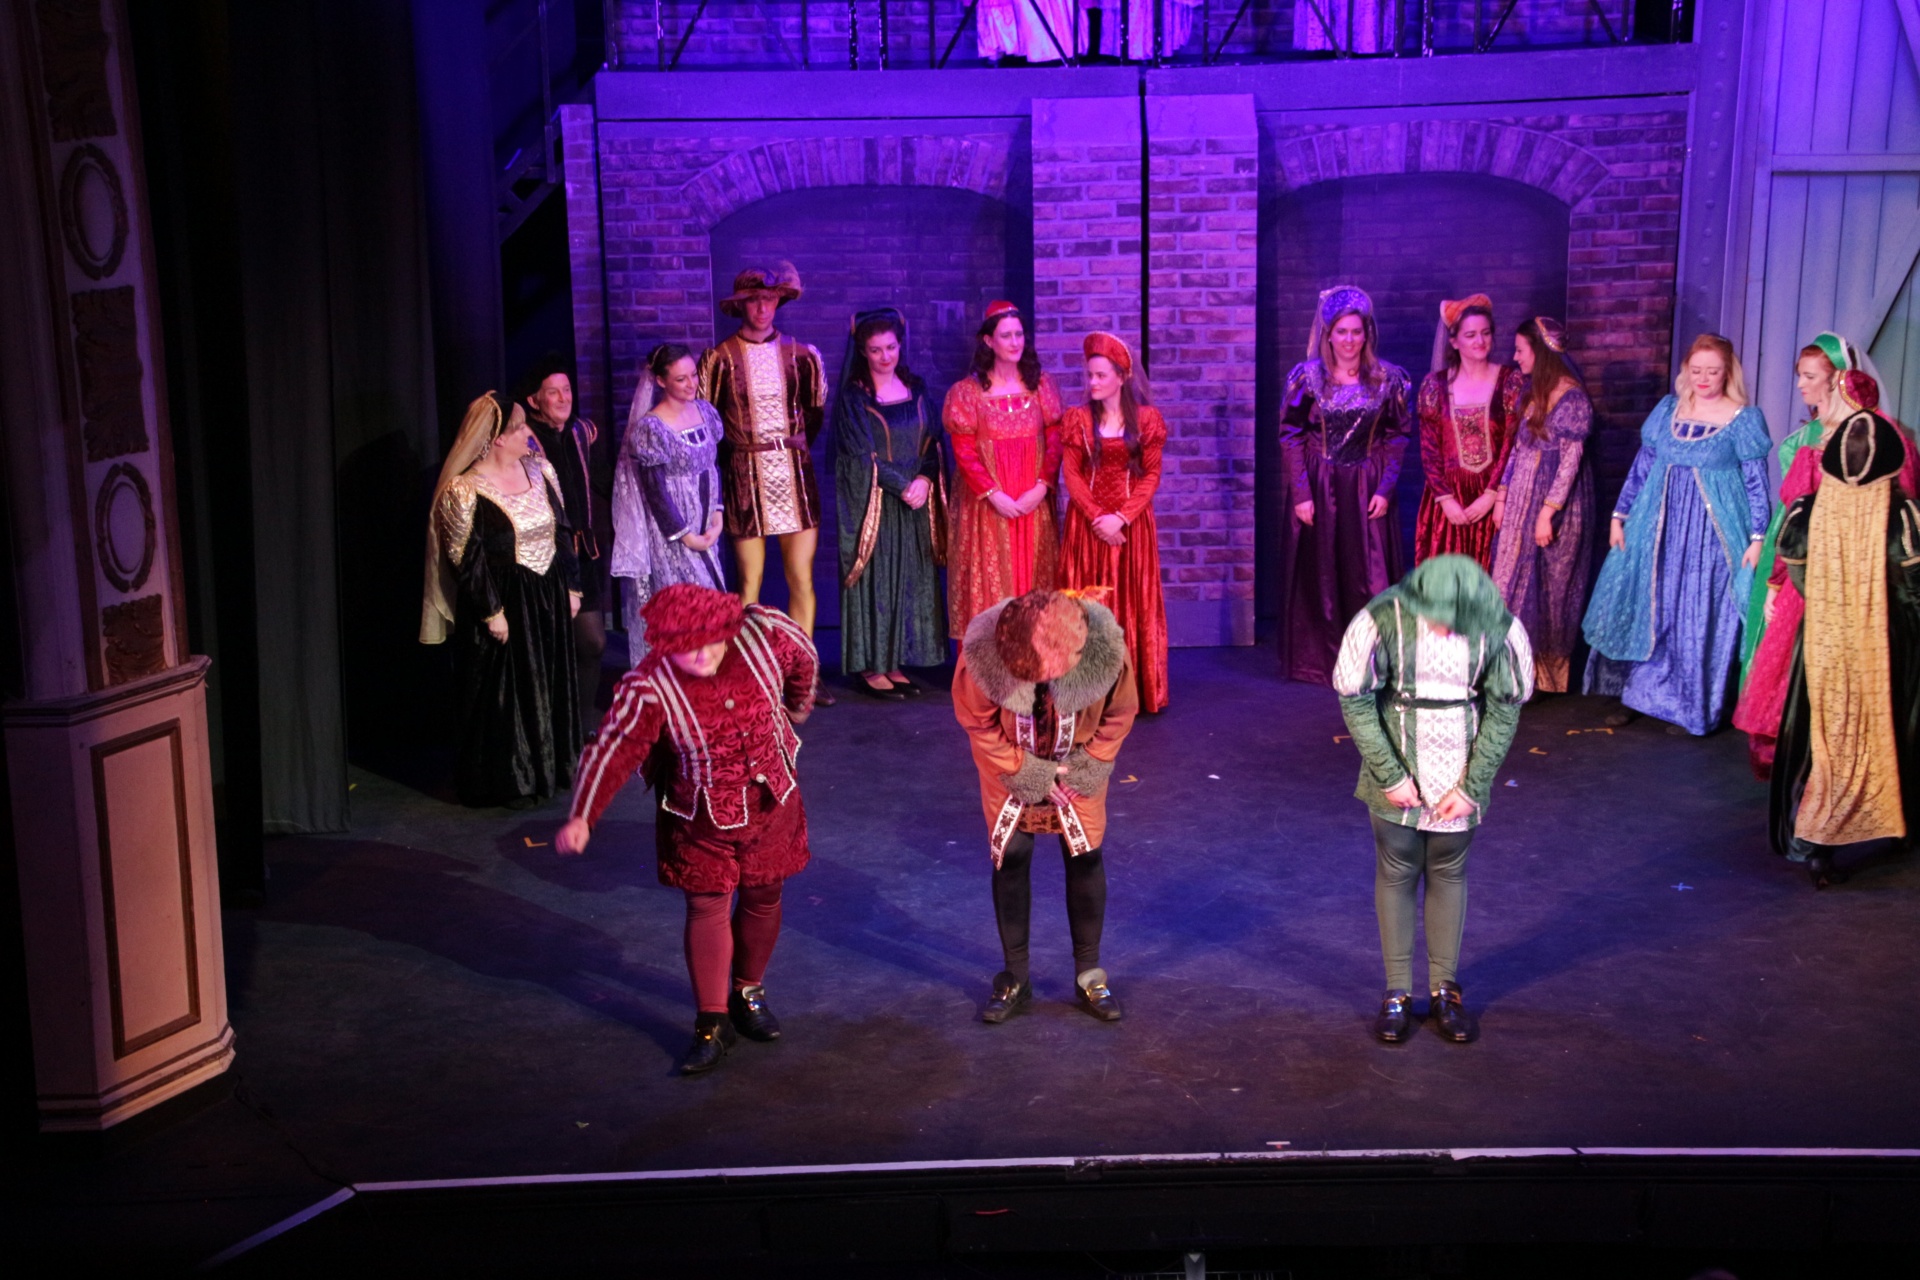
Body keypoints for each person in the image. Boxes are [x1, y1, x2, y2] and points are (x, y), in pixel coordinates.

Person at [556, 584, 818, 1073]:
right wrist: (582, 816)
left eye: (711, 643)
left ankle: (748, 992)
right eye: (688, 648)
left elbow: (802, 652)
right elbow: (613, 748)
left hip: (770, 801)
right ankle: (712, 1020)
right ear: (666, 644)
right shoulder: (649, 686)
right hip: (699, 814)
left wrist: (799, 701)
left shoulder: (763, 635)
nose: (702, 656)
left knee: (764, 892)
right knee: (707, 903)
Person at [1332, 555, 1534, 1044]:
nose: (1444, 629)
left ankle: (1446, 990)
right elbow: (1355, 699)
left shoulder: (1500, 626)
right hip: (1397, 761)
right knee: (1397, 867)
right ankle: (1397, 992)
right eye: (1436, 617)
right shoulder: (1381, 619)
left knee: (1448, 868)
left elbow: (1504, 710)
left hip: (1459, 766)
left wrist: (1473, 785)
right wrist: (1390, 775)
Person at [1733, 334, 1919, 778]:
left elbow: (1902, 506)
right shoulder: (1809, 440)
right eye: (1799, 375)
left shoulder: (1873, 438)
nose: (1801, 384)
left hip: (1831, 568)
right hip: (1806, 559)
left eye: (1810, 376)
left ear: (1839, 381)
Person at [952, 589, 1139, 1024]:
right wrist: (1028, 772)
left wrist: (1087, 767)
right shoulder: (981, 656)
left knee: (1085, 854)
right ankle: (1015, 977)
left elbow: (1119, 715)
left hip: (1078, 762)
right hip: (1008, 761)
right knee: (1012, 854)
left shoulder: (1107, 654)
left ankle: (1089, 974)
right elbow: (978, 723)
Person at [1582, 335, 1772, 735]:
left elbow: (1757, 484)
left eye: (1713, 371)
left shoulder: (1742, 419)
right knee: (1651, 606)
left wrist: (1758, 538)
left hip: (1711, 536)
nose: (1704, 378)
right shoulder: (1668, 410)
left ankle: (1691, 706)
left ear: (1728, 373)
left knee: (1696, 614)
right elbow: (1642, 467)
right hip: (1658, 528)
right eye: (1697, 370)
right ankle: (1637, 694)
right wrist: (1619, 515)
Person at [1767, 392, 1920, 888]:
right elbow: (1914, 585)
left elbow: (1797, 568)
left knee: (1824, 734)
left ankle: (1819, 844)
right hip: (1887, 641)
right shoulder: (1902, 517)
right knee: (1888, 727)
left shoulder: (1806, 512)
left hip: (1823, 641)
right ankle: (1888, 823)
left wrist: (1828, 600)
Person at [421, 392, 582, 807]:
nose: (528, 433)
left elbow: (562, 530)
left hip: (546, 594)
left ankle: (552, 768)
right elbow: (466, 558)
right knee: (508, 691)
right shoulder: (464, 489)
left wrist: (572, 586)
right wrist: (492, 611)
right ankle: (513, 779)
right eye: (519, 428)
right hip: (504, 602)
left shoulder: (541, 469)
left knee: (548, 681)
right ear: (496, 439)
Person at [697, 263, 834, 703]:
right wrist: (742, 459)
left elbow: (814, 415)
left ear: (779, 302)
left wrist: (788, 449)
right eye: (754, 300)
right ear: (741, 305)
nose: (762, 308)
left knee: (801, 578)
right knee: (749, 582)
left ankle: (802, 674)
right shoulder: (720, 358)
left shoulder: (802, 355)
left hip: (794, 474)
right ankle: (745, 673)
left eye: (769, 299)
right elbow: (709, 422)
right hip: (745, 475)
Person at [1279, 285, 1412, 685]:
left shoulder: (1388, 379)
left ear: (1367, 333)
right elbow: (1291, 435)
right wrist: (1301, 493)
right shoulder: (1307, 378)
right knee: (1322, 575)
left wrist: (1385, 488)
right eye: (1342, 332)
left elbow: (1397, 436)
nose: (1350, 340)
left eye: (1356, 331)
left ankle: (1370, 660)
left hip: (1366, 484)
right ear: (1329, 334)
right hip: (1320, 483)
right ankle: (1323, 660)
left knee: (1369, 575)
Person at [832, 308, 947, 699]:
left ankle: (894, 660)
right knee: (878, 581)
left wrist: (925, 479)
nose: (886, 356)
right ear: (863, 351)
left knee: (907, 580)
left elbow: (934, 442)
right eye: (876, 349)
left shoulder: (917, 388)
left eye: (891, 347)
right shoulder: (855, 397)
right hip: (877, 502)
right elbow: (859, 455)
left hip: (914, 503)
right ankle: (871, 666)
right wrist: (904, 486)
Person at [1058, 331, 1169, 713]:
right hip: (1088, 528)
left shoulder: (1148, 420)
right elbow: (1072, 474)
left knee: (1132, 603)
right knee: (1089, 605)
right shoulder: (1077, 420)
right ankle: (1088, 691)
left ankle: (1132, 689)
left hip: (1131, 527)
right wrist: (1097, 517)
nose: (1093, 382)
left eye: (1101, 375)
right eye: (1090, 375)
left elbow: (1151, 475)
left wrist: (1121, 517)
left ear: (1122, 377)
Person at [944, 301, 1065, 638]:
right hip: (989, 504)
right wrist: (993, 494)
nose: (1015, 342)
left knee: (1035, 575)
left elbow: (1055, 442)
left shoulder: (1042, 386)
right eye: (1006, 335)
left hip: (1031, 498)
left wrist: (1041, 487)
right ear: (988, 341)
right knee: (991, 577)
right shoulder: (967, 393)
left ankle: (1035, 656)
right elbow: (964, 452)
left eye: (1019, 334)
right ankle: (991, 661)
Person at [1488, 316, 1594, 693]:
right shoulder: (1534, 392)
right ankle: (1510, 670)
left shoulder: (1572, 398)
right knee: (1510, 578)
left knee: (1548, 587)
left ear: (1541, 352)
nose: (1515, 357)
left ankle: (1541, 677)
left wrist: (1547, 513)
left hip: (1553, 502)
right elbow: (1518, 449)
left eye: (1521, 350)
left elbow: (1569, 463)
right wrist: (1502, 496)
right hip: (1521, 496)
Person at [609, 343, 727, 664]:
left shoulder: (705, 411)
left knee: (711, 603)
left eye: (693, 375)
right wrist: (685, 535)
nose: (691, 384)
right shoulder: (652, 428)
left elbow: (712, 466)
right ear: (661, 381)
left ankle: (706, 678)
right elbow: (655, 491)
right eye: (680, 379)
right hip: (674, 530)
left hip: (704, 522)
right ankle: (680, 679)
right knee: (692, 606)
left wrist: (717, 512)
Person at [517, 357, 614, 737]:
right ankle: (549, 728)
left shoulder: (581, 432)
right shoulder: (523, 439)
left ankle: (583, 721)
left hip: (583, 554)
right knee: (550, 646)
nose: (563, 398)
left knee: (592, 642)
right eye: (553, 392)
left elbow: (604, 480)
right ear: (534, 400)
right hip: (544, 557)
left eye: (567, 390)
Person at [1413, 296, 1522, 571]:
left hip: (1496, 495)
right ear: (1454, 341)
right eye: (1471, 335)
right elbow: (1429, 449)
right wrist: (1445, 499)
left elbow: (1512, 443)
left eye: (1485, 333)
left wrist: (1491, 495)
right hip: (1450, 499)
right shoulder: (1435, 386)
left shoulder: (1510, 381)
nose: (1480, 341)